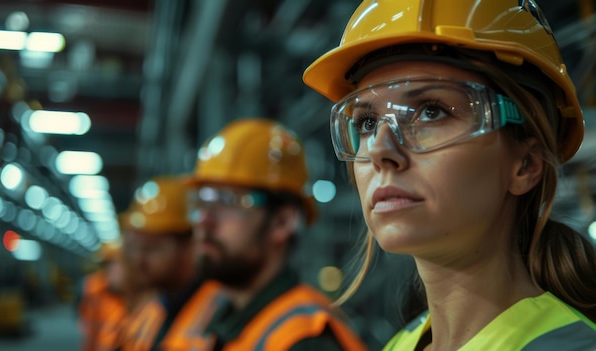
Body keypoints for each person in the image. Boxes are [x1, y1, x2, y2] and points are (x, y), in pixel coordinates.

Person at [302, 0, 596, 349]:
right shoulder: (401, 344)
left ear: (526, 164)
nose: (380, 150)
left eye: (431, 112)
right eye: (367, 122)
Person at [187, 118, 368, 350]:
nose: (203, 220)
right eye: (201, 202)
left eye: (227, 201)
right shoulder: (224, 320)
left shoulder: (308, 341)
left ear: (282, 222)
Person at [118, 175, 222, 351]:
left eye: (151, 249)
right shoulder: (155, 309)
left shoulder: (217, 313)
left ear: (191, 246)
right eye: (135, 248)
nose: (139, 260)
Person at [77, 241, 128, 351]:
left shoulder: (142, 296)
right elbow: (90, 332)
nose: (110, 271)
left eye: (115, 264)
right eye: (106, 265)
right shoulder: (95, 291)